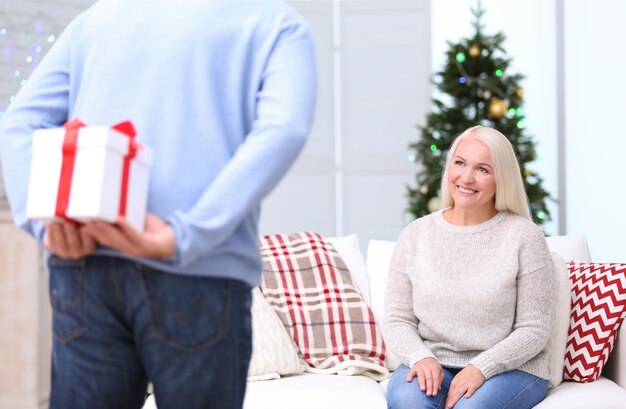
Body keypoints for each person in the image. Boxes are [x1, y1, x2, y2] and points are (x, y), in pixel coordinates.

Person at [0, 0, 316, 408]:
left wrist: (45, 225)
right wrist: (186, 233)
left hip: (85, 260)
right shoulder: (275, 22)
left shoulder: (96, 19)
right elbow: (283, 129)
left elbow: (19, 121)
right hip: (198, 269)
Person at [384, 126, 555, 409]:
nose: (466, 177)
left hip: (510, 369)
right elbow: (397, 319)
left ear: (502, 178)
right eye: (460, 163)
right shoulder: (415, 235)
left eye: (483, 169)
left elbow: (534, 330)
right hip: (433, 362)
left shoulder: (525, 237)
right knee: (406, 402)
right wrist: (421, 357)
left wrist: (480, 368)